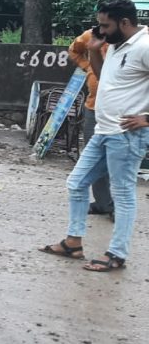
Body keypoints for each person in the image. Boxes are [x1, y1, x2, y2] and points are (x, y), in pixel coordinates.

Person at [40, 0, 149, 272]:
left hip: (126, 135)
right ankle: (73, 242)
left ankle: (117, 253)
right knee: (76, 183)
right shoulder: (113, 44)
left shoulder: (145, 46)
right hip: (104, 130)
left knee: (123, 194)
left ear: (124, 23)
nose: (100, 30)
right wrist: (93, 52)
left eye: (105, 25)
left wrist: (146, 118)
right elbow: (104, 78)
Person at [67, 29, 113, 216]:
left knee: (117, 159)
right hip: (94, 106)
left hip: (120, 109)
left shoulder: (136, 42)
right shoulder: (91, 36)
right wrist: (87, 66)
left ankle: (117, 205)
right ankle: (103, 203)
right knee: (94, 157)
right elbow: (74, 50)